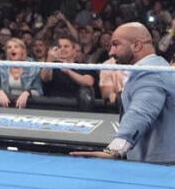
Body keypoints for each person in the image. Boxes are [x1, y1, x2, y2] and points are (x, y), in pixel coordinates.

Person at [71, 22, 175, 164]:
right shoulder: (156, 67)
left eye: (116, 44)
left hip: (160, 164)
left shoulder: (151, 73)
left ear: (137, 46)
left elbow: (140, 113)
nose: (111, 52)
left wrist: (113, 150)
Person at [0, 37, 42, 109]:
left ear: (22, 50)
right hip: (6, 105)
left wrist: (27, 93)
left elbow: (39, 91)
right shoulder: (2, 66)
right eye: (9, 47)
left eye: (16, 47)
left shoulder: (33, 67)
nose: (12, 49)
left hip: (28, 106)